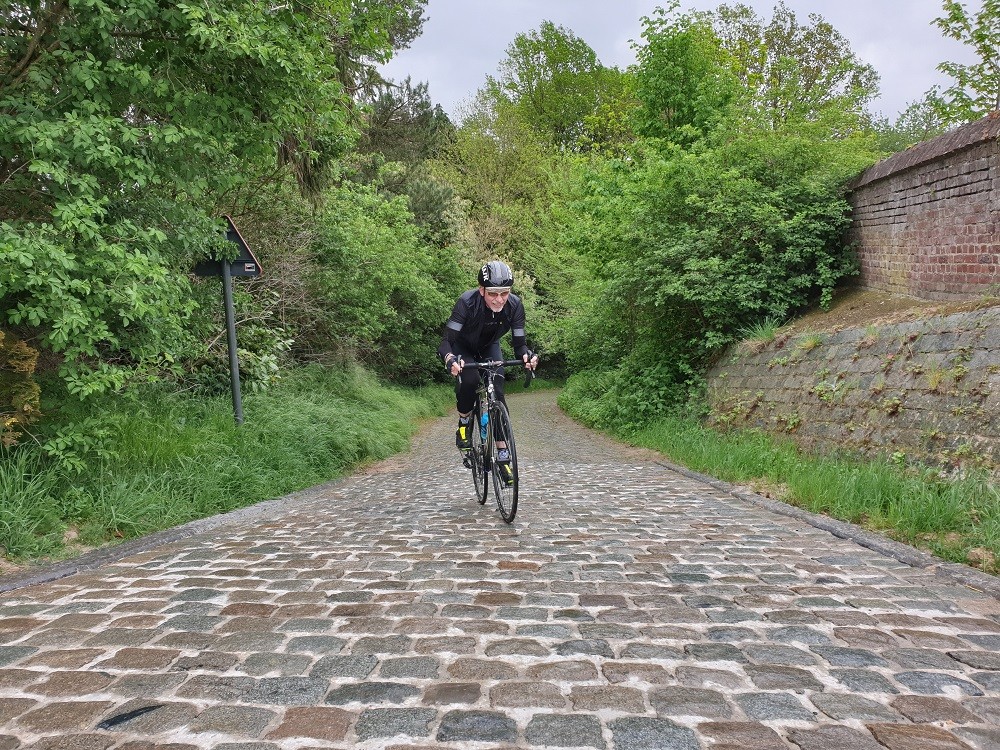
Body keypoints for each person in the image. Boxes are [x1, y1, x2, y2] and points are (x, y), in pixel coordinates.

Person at [438, 261, 539, 485]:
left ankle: (503, 456)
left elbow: (520, 344)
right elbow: (445, 343)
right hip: (463, 348)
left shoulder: (515, 306)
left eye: (505, 293)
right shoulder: (466, 303)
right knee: (471, 380)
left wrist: (527, 356)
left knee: (499, 389)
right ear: (482, 289)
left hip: (489, 347)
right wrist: (450, 360)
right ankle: (464, 422)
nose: (499, 299)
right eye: (493, 293)